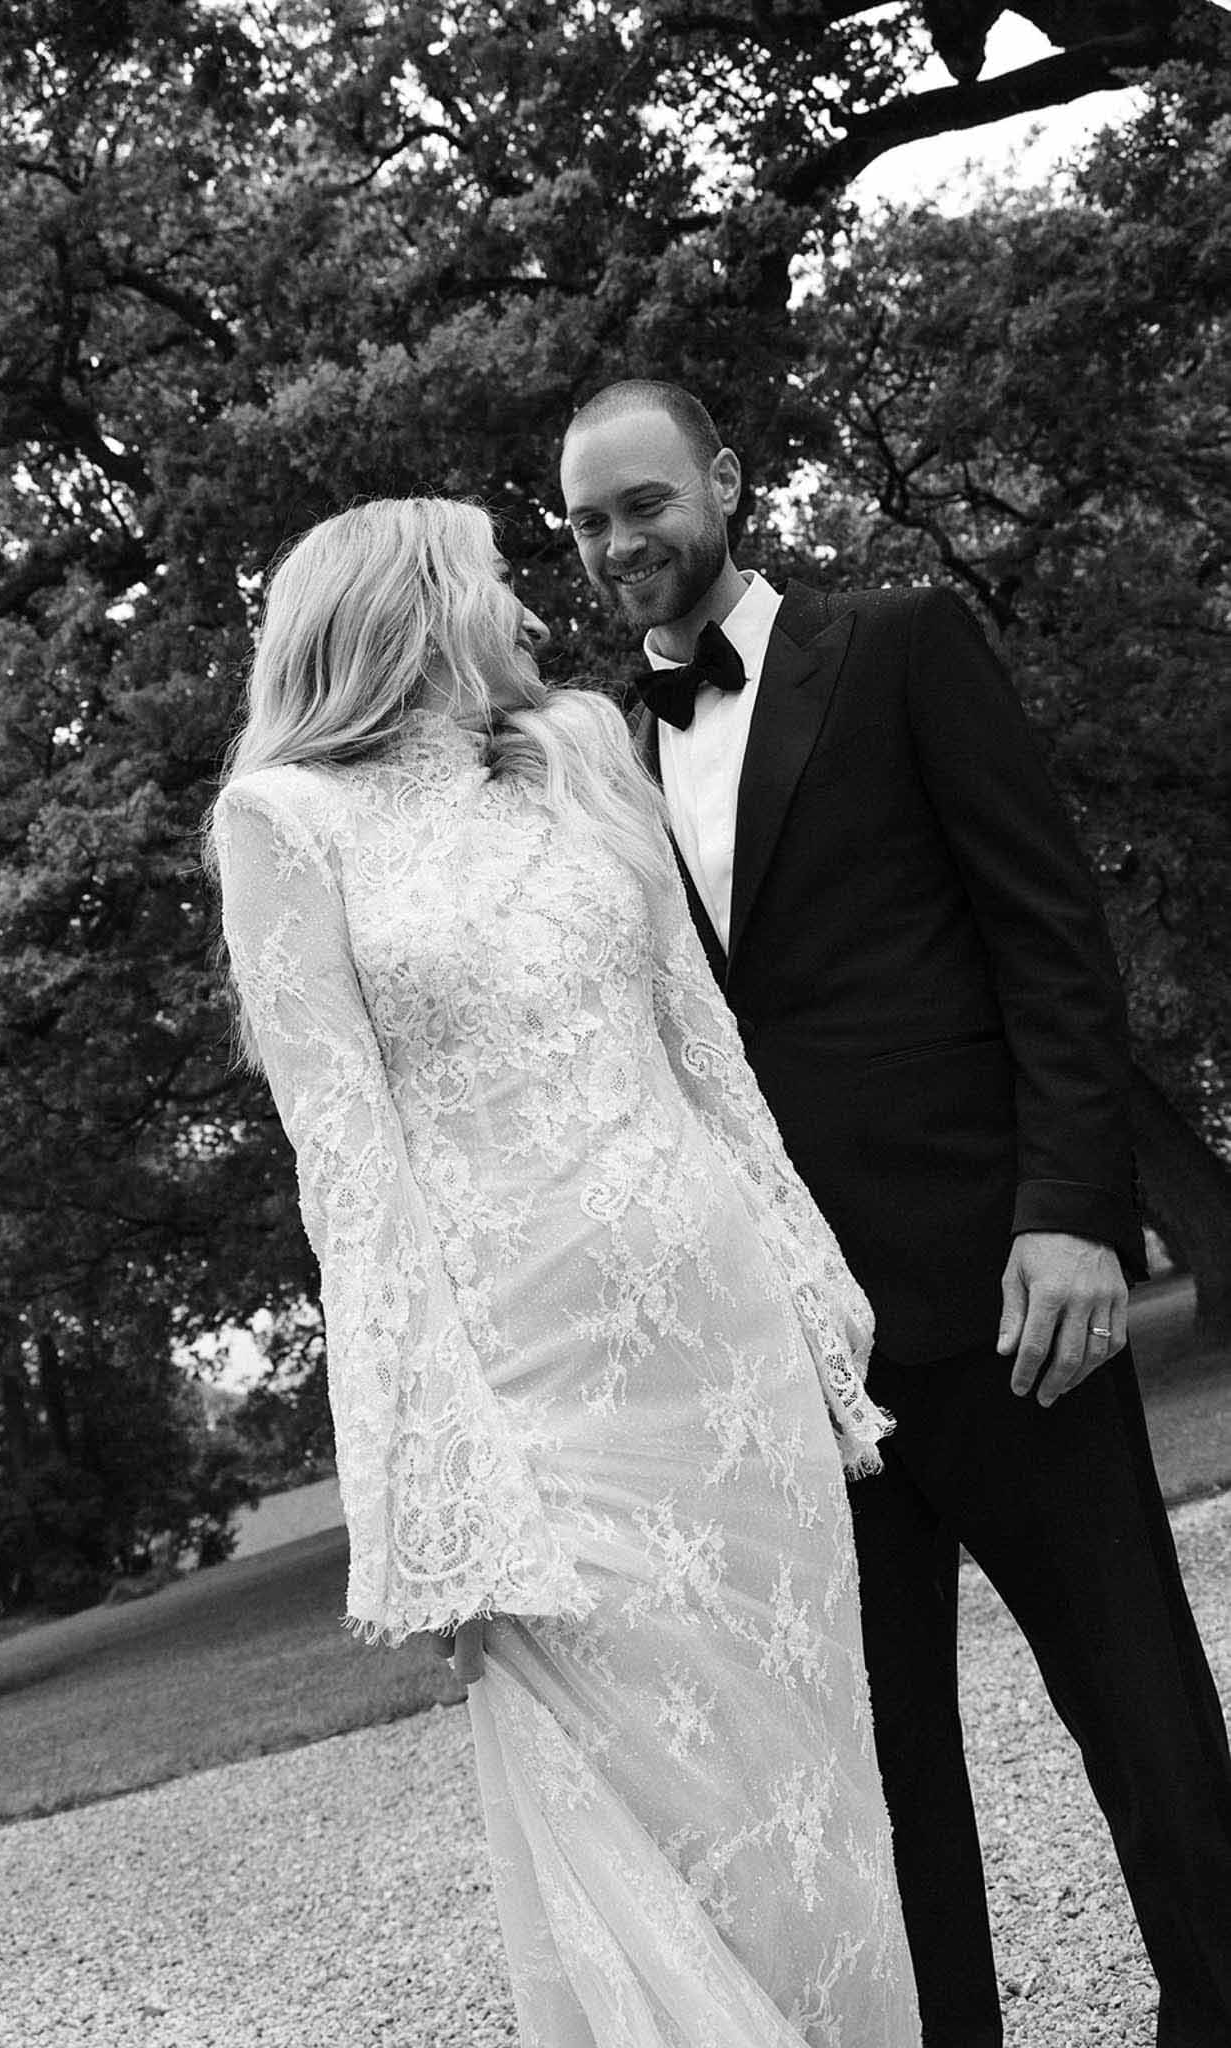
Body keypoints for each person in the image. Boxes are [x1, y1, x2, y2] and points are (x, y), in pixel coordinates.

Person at [558, 379, 1231, 2048]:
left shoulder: (903, 645)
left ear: (722, 481)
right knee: (877, 1778)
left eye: (642, 503)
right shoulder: (596, 757)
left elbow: (1048, 936)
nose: (617, 543)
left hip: (1007, 1296)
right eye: (584, 524)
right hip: (787, 1352)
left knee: (1136, 1710)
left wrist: (1072, 1208)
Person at [207, 496, 920, 2046]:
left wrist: (814, 1304)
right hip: (534, 1396)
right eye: (494, 581)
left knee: (794, 1793)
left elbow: (707, 1054)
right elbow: (350, 1174)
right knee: (617, 1809)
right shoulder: (280, 823)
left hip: (724, 1367)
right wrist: (427, 1486)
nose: (535, 608)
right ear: (410, 613)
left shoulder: (588, 752)